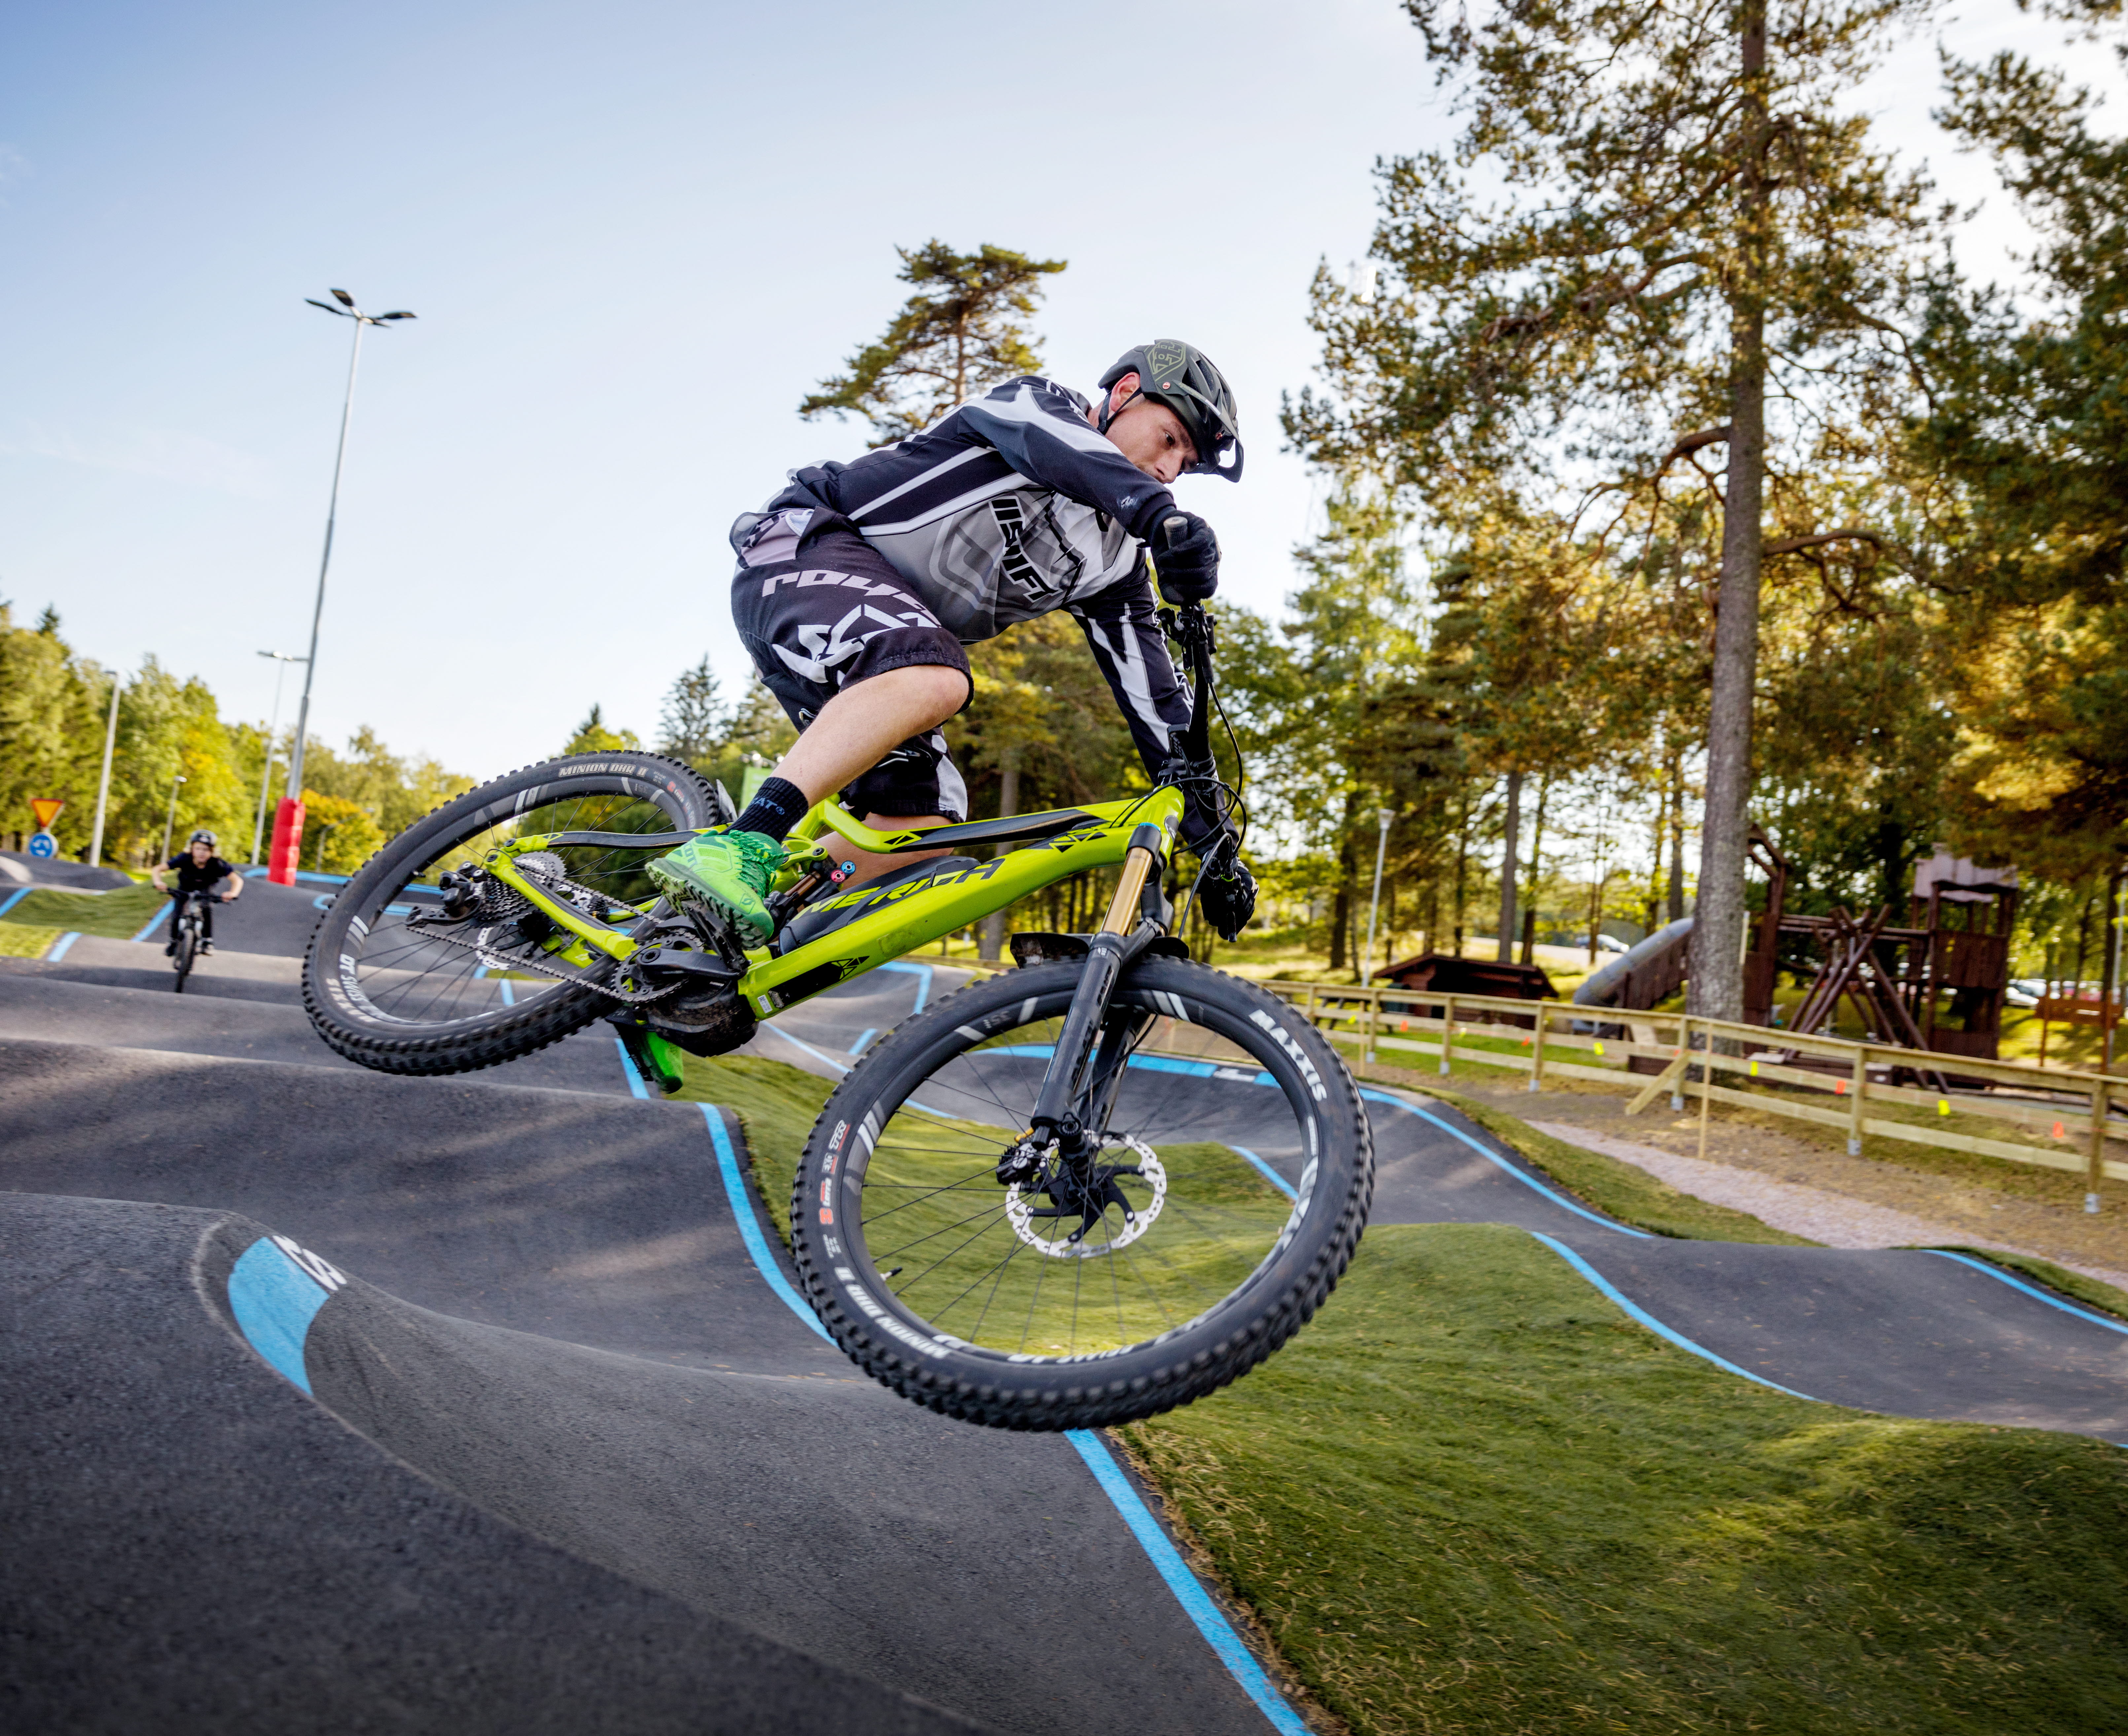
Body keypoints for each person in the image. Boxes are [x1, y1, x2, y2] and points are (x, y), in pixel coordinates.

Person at [650, 339, 1259, 949]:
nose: (1172, 469)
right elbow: (1068, 456)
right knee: (937, 676)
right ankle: (741, 843)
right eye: (1171, 438)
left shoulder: (1114, 563)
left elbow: (1159, 710)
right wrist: (1158, 517)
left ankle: (698, 947)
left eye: (1187, 464)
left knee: (920, 826)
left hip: (879, 652)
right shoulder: (1037, 407)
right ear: (1125, 394)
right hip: (799, 549)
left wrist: (1216, 847)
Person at [152, 830, 242, 954]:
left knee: (207, 908)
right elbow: (158, 869)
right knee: (177, 913)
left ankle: (207, 941)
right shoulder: (184, 858)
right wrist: (158, 882)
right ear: (192, 849)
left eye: (206, 850)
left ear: (212, 852)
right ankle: (173, 941)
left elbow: (237, 880)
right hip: (185, 886)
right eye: (198, 849)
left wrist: (233, 893)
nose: (201, 853)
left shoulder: (217, 864)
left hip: (206, 888)